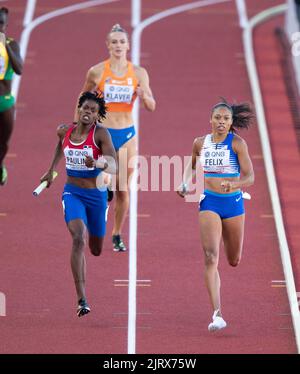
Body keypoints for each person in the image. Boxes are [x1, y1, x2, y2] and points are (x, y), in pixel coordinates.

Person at [74, 24, 156, 252]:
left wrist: (143, 96)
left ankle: (117, 233)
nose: (118, 46)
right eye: (114, 42)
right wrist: (77, 127)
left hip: (127, 134)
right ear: (108, 45)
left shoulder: (139, 73)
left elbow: (151, 105)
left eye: (122, 42)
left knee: (123, 189)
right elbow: (82, 97)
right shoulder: (97, 72)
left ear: (128, 46)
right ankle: (103, 191)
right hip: (102, 133)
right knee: (100, 179)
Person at [177, 99, 254, 331]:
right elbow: (191, 166)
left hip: (233, 204)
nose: (221, 122)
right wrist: (184, 183)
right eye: (218, 118)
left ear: (231, 123)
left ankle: (218, 309)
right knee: (211, 257)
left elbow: (250, 177)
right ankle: (217, 314)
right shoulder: (200, 143)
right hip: (209, 201)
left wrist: (235, 185)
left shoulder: (238, 144)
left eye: (226, 119)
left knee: (233, 260)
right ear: (210, 120)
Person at [40, 91, 117, 317]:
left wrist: (98, 161)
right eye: (85, 108)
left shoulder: (101, 135)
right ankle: (82, 298)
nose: (88, 113)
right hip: (72, 192)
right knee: (77, 237)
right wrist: (51, 170)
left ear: (97, 115)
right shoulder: (64, 130)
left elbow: (115, 166)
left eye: (93, 111)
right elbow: (59, 146)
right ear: (79, 108)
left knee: (95, 249)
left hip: (96, 195)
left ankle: (106, 201)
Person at [0, 7, 23, 185]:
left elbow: (19, 69)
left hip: (4, 102)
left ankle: (0, 166)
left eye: (1, 23)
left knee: (3, 143)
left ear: (6, 25)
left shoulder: (12, 44)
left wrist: (5, 46)